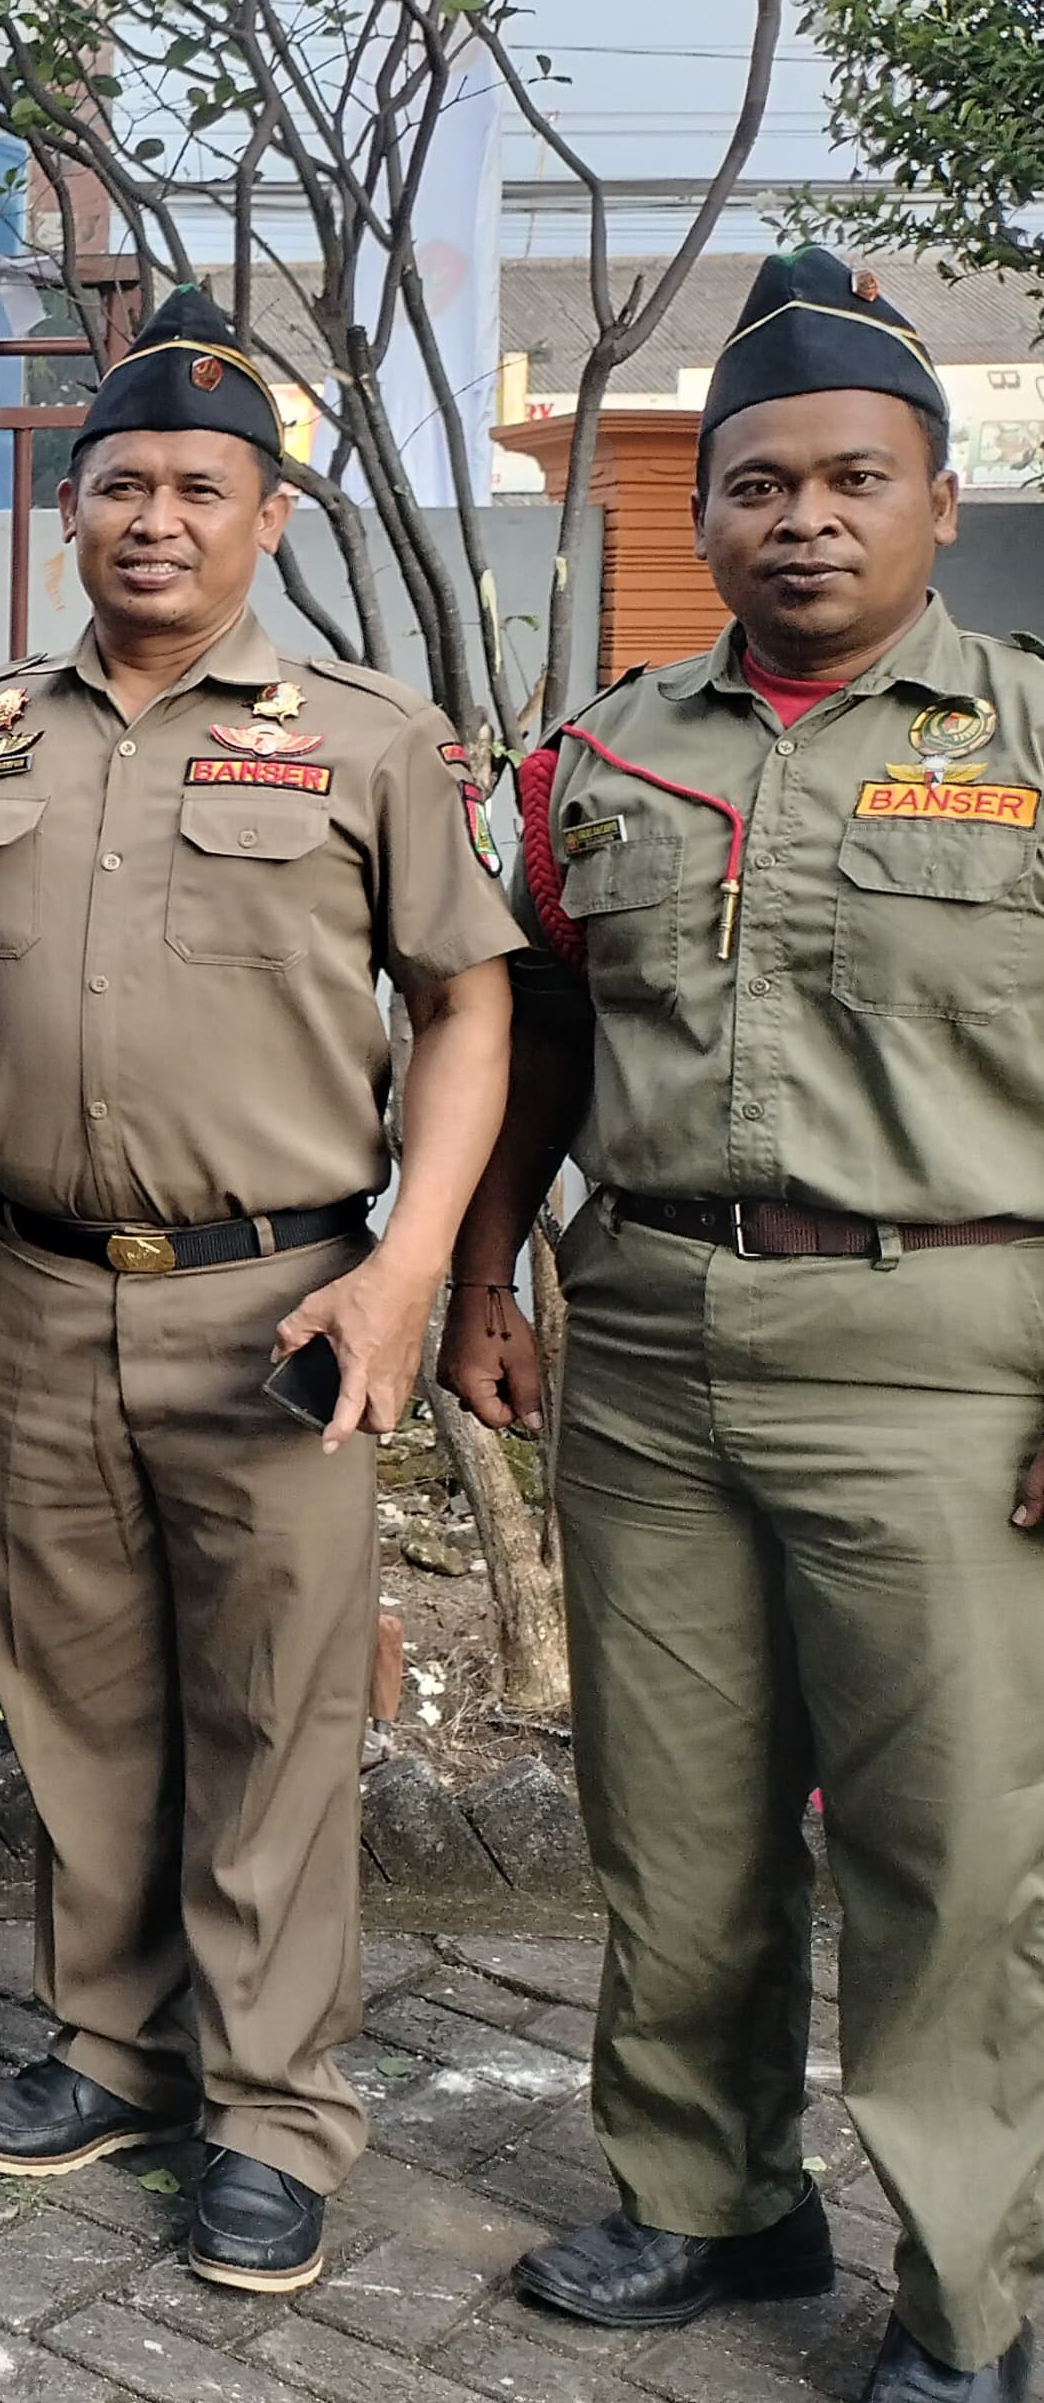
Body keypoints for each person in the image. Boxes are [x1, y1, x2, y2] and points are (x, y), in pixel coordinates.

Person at [0, 293, 515, 2293]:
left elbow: (469, 1002)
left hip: (281, 1300)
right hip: (34, 1284)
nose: (152, 517)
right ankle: (114, 2047)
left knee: (271, 1712)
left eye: (195, 488)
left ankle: (274, 2108)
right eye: (117, 481)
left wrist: (408, 1265)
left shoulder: (368, 744)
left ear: (263, 515)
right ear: (69, 505)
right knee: (74, 1697)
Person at [446, 251, 1044, 2403]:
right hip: (657, 1337)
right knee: (671, 1816)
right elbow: (520, 1028)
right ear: (695, 514)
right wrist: (486, 1267)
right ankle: (709, 2199)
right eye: (759, 483)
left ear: (937, 499)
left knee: (949, 1852)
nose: (802, 517)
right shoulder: (601, 757)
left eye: (852, 479)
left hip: (950, 1348)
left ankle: (969, 2296)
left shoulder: (1030, 736)